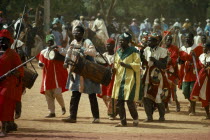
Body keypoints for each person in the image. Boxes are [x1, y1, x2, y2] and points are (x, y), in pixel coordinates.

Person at [62, 25, 101, 123]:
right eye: (74, 33)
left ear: (83, 34)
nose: (76, 34)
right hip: (77, 71)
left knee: (92, 94)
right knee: (75, 94)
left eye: (78, 33)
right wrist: (66, 62)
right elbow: (68, 53)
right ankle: (72, 116)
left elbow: (94, 52)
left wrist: (82, 48)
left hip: (88, 71)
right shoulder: (73, 42)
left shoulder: (87, 42)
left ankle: (96, 117)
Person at [112, 32, 140, 127]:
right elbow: (116, 64)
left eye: (123, 40)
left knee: (129, 101)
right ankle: (123, 121)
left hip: (130, 80)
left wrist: (127, 65)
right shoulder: (118, 52)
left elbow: (137, 65)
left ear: (128, 42)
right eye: (120, 40)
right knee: (119, 102)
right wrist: (114, 69)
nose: (120, 42)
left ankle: (135, 118)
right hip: (119, 80)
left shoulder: (134, 51)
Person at [0, 29, 24, 137]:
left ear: (10, 42)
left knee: (4, 102)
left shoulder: (13, 54)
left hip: (8, 84)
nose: (2, 43)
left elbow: (20, 71)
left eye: (5, 40)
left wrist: (14, 72)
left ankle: (4, 128)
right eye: (0, 40)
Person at [37, 34, 67, 118]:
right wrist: (40, 65)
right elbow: (40, 65)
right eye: (48, 41)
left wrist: (59, 49)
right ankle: (52, 112)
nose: (50, 43)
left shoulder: (58, 49)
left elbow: (66, 54)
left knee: (58, 93)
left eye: (51, 41)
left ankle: (63, 107)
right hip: (47, 77)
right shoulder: (43, 52)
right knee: (48, 95)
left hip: (56, 77)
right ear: (46, 43)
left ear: (53, 41)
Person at [142, 34, 169, 122]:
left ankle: (162, 116)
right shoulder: (146, 50)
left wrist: (155, 60)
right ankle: (149, 116)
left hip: (158, 77)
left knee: (159, 97)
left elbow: (164, 65)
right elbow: (143, 62)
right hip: (147, 76)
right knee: (146, 96)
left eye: (150, 41)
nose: (148, 42)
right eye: (148, 40)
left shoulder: (163, 51)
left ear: (156, 42)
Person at [179, 33, 203, 116]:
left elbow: (201, 59)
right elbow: (181, 60)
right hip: (186, 73)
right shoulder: (182, 49)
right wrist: (180, 60)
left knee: (192, 90)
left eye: (188, 39)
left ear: (192, 40)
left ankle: (193, 109)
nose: (187, 41)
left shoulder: (198, 48)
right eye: (186, 40)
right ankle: (190, 103)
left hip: (194, 72)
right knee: (185, 91)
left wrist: (195, 56)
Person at [97, 38, 117, 120]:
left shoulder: (117, 56)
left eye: (109, 45)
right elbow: (99, 62)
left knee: (111, 96)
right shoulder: (104, 55)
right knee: (104, 96)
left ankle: (111, 113)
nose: (107, 46)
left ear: (113, 46)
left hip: (113, 78)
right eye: (107, 45)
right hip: (104, 78)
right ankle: (113, 111)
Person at [191, 42, 210, 119]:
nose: (203, 49)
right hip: (203, 78)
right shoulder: (201, 56)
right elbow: (198, 66)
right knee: (203, 95)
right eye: (203, 47)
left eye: (205, 47)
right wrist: (194, 57)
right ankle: (208, 114)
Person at [163, 34, 180, 112]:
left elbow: (175, 58)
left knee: (173, 89)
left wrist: (170, 60)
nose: (169, 41)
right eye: (167, 39)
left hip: (171, 71)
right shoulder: (162, 48)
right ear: (165, 40)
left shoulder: (175, 48)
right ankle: (166, 107)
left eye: (170, 40)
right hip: (163, 70)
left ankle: (177, 103)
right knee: (165, 89)